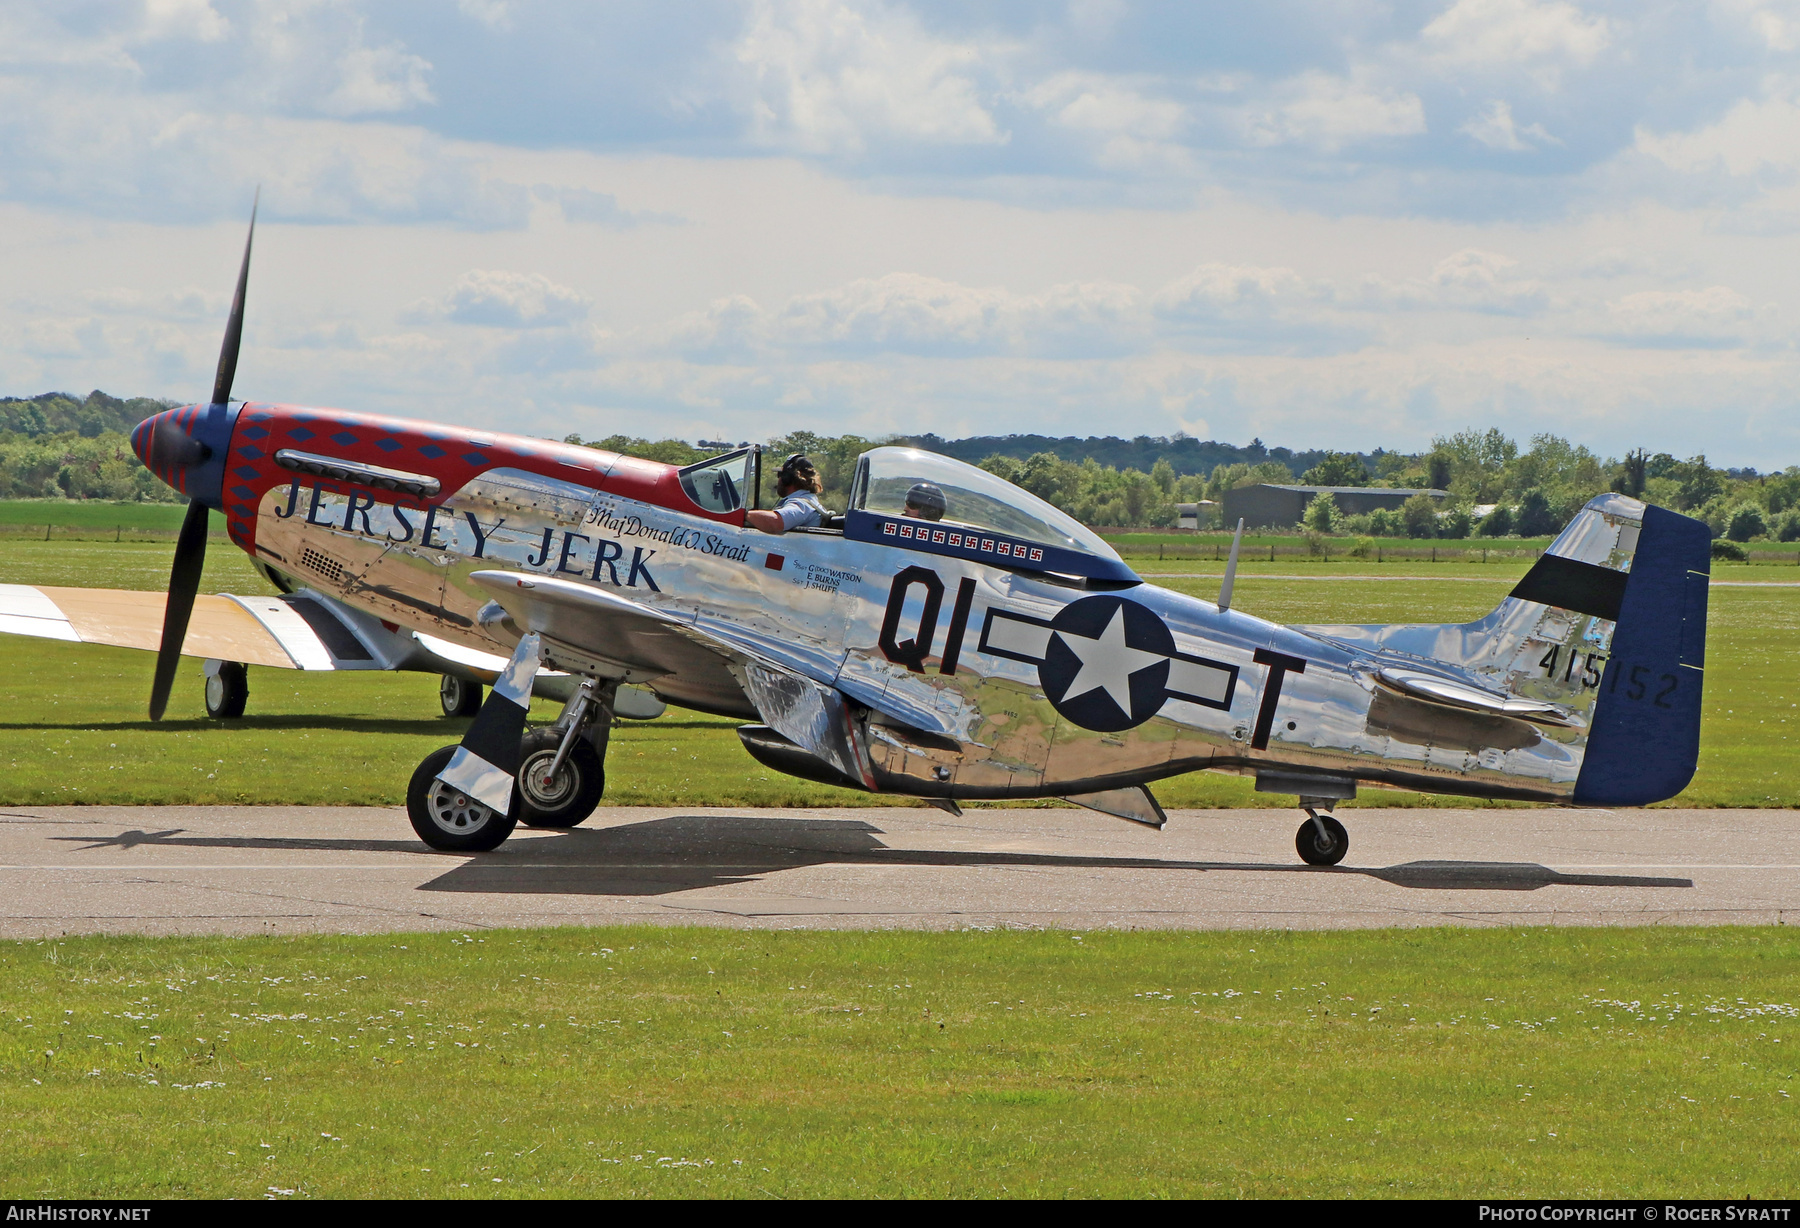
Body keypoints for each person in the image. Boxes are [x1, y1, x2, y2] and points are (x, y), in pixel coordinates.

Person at [747, 453, 827, 533]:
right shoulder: (809, 501)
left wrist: (745, 515)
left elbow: (776, 522)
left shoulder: (801, 504)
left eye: (780, 475)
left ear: (787, 478)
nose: (778, 479)